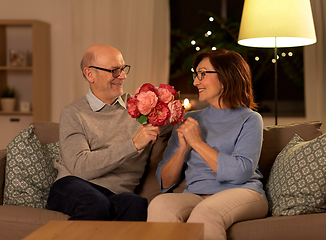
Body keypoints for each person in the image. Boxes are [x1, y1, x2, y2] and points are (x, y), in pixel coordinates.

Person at [147, 49, 268, 240]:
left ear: (227, 75)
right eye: (196, 74)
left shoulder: (251, 119)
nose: (196, 82)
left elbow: (241, 172)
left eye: (202, 74)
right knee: (159, 204)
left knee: (204, 213)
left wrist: (197, 142)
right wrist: (182, 150)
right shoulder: (188, 120)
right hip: (196, 194)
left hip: (243, 192)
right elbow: (165, 182)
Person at [46, 44, 161, 221]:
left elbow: (178, 119)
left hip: (115, 192)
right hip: (73, 185)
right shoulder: (73, 112)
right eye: (114, 70)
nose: (122, 76)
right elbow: (80, 167)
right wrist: (133, 145)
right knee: (96, 205)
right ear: (89, 74)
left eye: (123, 69)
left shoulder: (143, 108)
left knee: (136, 204)